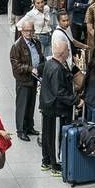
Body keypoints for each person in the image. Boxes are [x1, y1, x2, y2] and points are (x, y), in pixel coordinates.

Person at [39, 36, 76, 174]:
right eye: (67, 49)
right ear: (63, 53)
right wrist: (75, 100)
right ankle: (55, 165)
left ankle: (46, 160)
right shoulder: (58, 69)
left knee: (47, 135)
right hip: (56, 109)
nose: (68, 51)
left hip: (47, 106)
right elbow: (60, 92)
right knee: (54, 136)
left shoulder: (50, 63)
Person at [9, 21, 43, 141]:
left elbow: (40, 57)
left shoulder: (36, 43)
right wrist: (30, 69)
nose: (29, 33)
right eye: (26, 30)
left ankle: (29, 126)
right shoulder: (17, 46)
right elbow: (16, 66)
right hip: (23, 81)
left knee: (31, 104)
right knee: (22, 105)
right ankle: (21, 130)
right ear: (22, 31)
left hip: (34, 80)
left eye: (31, 30)